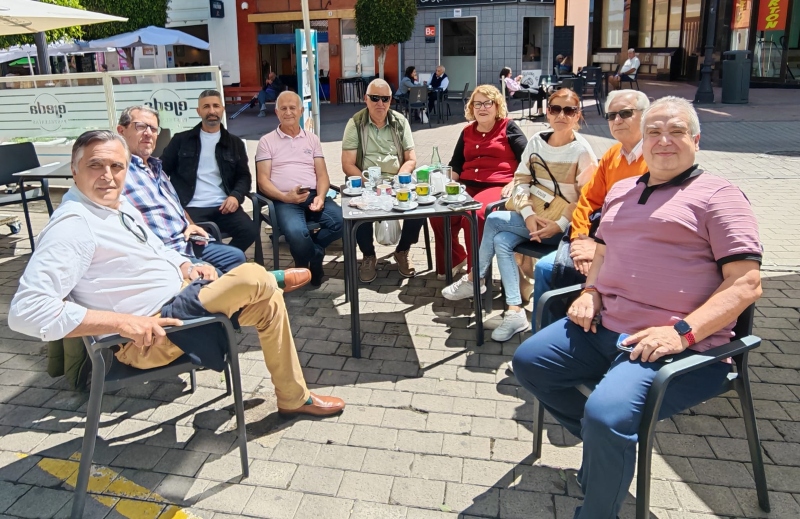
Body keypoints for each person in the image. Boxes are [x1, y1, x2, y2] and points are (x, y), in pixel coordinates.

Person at [512, 96, 762, 519]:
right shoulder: (622, 190)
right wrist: (590, 292)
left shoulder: (720, 196)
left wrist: (680, 333)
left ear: (696, 140)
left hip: (676, 346)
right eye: (654, 132)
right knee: (529, 362)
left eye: (676, 131)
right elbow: (603, 252)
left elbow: (746, 283)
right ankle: (606, 448)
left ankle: (599, 497)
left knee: (606, 415)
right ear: (642, 142)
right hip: (606, 324)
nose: (663, 141)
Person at [9, 130, 346, 417]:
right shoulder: (73, 226)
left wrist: (185, 265)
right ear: (74, 169)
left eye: (116, 166)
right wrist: (124, 323)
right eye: (95, 165)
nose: (108, 176)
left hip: (184, 299)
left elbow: (157, 248)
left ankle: (292, 397)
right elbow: (26, 311)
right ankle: (270, 279)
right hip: (152, 335)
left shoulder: (117, 206)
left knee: (268, 304)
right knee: (252, 277)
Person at [442, 88, 597, 342]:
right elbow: (521, 180)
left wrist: (559, 224)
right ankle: (515, 311)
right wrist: (527, 214)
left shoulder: (582, 151)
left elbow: (587, 199)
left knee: (493, 219)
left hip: (563, 228)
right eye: (555, 109)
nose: (561, 115)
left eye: (569, 110)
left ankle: (474, 277)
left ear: (577, 115)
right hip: (534, 218)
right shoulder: (537, 142)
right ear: (547, 112)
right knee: (501, 239)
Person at [531, 90, 650, 326]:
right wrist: (579, 240)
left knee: (547, 268)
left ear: (645, 115)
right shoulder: (613, 154)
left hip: (632, 252)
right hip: (596, 238)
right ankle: (546, 336)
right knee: (545, 267)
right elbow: (587, 201)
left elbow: (648, 221)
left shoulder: (655, 157)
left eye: (625, 113)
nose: (617, 120)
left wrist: (599, 249)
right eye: (611, 115)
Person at [117, 105, 246, 275]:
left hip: (186, 240)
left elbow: (174, 204)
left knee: (236, 257)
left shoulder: (156, 168)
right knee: (215, 276)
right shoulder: (118, 172)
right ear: (121, 131)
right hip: (162, 252)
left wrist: (191, 225)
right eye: (140, 126)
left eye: (153, 129)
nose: (148, 133)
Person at [430, 85, 527, 280]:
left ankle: (476, 276)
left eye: (487, 103)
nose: (482, 108)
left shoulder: (508, 127)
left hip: (498, 186)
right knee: (438, 213)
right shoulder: (467, 131)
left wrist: (515, 181)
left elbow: (528, 159)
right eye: (477, 104)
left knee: (474, 215)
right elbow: (456, 165)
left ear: (497, 106)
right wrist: (441, 185)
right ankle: (454, 258)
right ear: (471, 107)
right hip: (466, 185)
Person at [256, 92, 344, 286]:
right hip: (283, 199)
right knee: (296, 233)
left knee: (342, 222)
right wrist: (285, 197)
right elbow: (262, 181)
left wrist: (321, 196)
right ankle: (315, 257)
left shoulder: (312, 139)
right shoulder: (266, 142)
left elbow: (322, 175)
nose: (288, 112)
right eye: (283, 108)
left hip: (311, 195)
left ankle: (307, 256)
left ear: (301, 111)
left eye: (292, 108)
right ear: (276, 112)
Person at [341, 78, 422, 282]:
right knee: (356, 208)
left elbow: (411, 159)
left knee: (421, 206)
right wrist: (369, 184)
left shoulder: (400, 122)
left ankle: (402, 250)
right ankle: (368, 255)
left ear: (390, 100)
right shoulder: (355, 123)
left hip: (396, 181)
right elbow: (348, 164)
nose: (380, 103)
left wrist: (399, 179)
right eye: (375, 98)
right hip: (366, 181)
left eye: (385, 99)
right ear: (366, 99)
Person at [161, 90, 258, 253]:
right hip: (190, 207)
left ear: (222, 109)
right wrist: (171, 202)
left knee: (250, 231)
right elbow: (161, 171)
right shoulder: (181, 140)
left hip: (223, 206)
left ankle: (224, 259)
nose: (212, 111)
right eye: (206, 106)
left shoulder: (234, 143)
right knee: (195, 240)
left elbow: (243, 177)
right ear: (198, 111)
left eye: (216, 106)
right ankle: (220, 260)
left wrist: (235, 196)